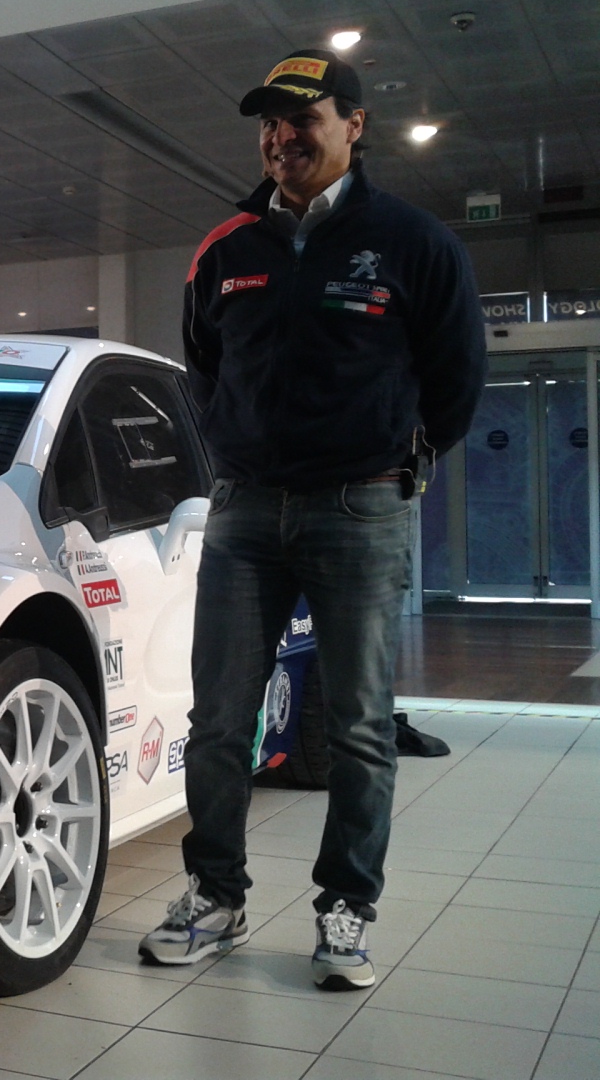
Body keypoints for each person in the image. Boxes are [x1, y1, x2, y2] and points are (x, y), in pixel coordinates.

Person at [139, 49, 485, 989]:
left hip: (359, 509)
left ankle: (347, 906)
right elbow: (205, 370)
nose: (281, 137)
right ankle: (216, 895)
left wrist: (403, 459)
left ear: (354, 125)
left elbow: (457, 377)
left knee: (361, 726)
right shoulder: (226, 249)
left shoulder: (412, 242)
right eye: (270, 122)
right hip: (245, 513)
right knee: (219, 721)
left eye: (303, 118)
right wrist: (237, 451)